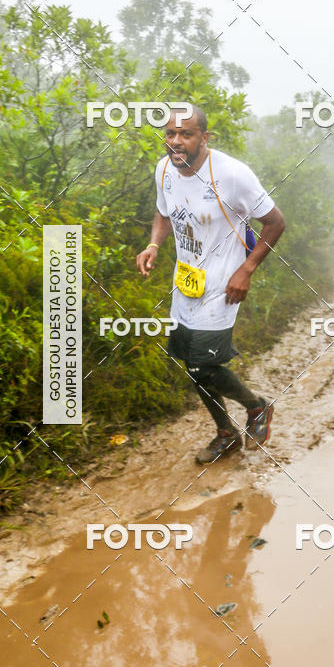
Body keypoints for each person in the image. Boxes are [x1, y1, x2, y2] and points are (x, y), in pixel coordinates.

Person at [136, 104, 286, 464]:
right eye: (170, 134)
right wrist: (154, 244)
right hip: (186, 284)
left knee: (204, 365)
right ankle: (225, 433)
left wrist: (246, 270)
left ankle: (257, 407)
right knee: (190, 362)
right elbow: (163, 211)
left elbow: (275, 223)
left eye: (186, 134)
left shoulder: (233, 175)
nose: (176, 141)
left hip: (223, 286)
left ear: (204, 137)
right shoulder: (164, 169)